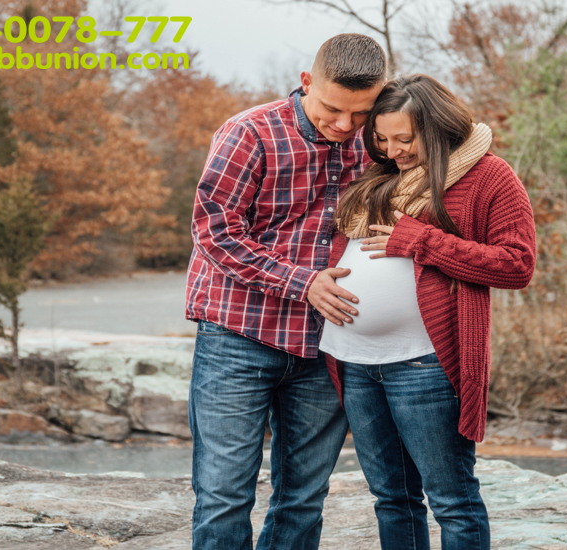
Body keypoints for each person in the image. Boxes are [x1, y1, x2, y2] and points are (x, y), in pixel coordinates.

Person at [184, 34, 385, 550]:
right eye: (333, 109)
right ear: (306, 82)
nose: (345, 125)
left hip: (327, 345)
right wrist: (303, 282)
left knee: (303, 498)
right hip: (238, 337)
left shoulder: (379, 141)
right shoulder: (249, 132)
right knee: (224, 495)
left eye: (360, 113)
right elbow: (215, 232)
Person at [320, 74, 537, 550]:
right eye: (381, 139)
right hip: (355, 362)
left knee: (452, 501)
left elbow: (517, 265)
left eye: (404, 139)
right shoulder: (378, 176)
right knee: (391, 498)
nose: (392, 150)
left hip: (424, 365)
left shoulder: (488, 175)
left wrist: (423, 241)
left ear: (436, 128)